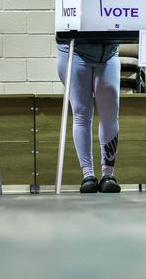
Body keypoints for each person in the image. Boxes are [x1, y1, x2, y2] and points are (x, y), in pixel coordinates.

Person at [56, 42, 122, 193]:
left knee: (110, 114)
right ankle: (88, 175)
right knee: (81, 113)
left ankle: (108, 175)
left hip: (108, 52)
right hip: (74, 50)